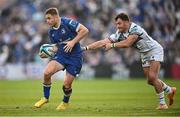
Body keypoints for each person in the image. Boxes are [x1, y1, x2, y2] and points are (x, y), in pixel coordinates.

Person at [83, 13, 176, 110]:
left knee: (153, 77)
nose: (117, 26)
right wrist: (86, 48)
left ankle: (162, 104)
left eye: (119, 23)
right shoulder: (119, 33)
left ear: (127, 22)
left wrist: (112, 45)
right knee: (150, 80)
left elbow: (128, 43)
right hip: (144, 53)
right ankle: (169, 90)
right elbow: (103, 42)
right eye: (116, 24)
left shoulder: (135, 29)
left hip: (154, 50)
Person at [34, 7, 89, 110]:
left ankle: (65, 102)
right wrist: (46, 52)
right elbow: (56, 47)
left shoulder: (67, 22)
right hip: (62, 55)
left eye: (49, 18)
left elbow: (85, 30)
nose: (47, 21)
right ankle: (45, 97)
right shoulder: (51, 31)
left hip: (75, 56)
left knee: (66, 85)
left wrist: (73, 42)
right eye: (46, 19)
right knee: (47, 72)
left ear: (56, 16)